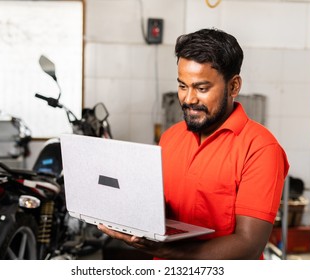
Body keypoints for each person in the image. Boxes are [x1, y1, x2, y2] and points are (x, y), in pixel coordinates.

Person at [98, 28, 290, 260]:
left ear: (234, 86)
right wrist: (127, 218)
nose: (189, 99)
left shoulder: (260, 149)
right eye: (182, 86)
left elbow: (249, 246)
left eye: (202, 88)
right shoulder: (171, 137)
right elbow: (160, 210)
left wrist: (164, 250)